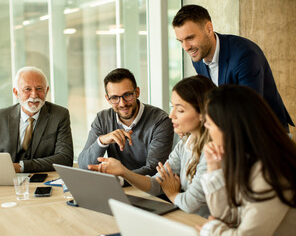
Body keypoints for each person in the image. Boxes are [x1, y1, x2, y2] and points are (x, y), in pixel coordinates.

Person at [89, 75, 216, 218]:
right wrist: (123, 171)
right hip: (188, 220)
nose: (171, 115)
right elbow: (157, 183)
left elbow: (190, 203)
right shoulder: (185, 144)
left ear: (203, 113)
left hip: (203, 225)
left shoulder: (213, 151)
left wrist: (172, 194)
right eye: (172, 107)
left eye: (180, 110)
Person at [172, 4, 294, 131]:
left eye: (190, 38)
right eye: (180, 41)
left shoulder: (244, 54)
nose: (186, 47)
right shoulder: (198, 56)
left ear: (209, 28)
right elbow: (210, 99)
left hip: (266, 133)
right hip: (231, 130)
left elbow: (249, 108)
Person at [199, 85, 296, 235]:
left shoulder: (270, 171)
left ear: (230, 128)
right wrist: (214, 167)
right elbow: (227, 216)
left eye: (209, 124)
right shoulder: (246, 158)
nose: (205, 127)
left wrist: (211, 229)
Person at [78, 68, 174, 180]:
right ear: (108, 99)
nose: (122, 103)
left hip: (147, 190)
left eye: (127, 95)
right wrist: (102, 141)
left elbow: (154, 169)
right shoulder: (102, 119)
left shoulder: (160, 121)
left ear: (137, 92)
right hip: (117, 187)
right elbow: (84, 165)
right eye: (114, 98)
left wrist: (119, 178)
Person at [0, 66, 73, 173]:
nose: (34, 95)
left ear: (46, 91)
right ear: (15, 92)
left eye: (39, 89)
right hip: (7, 181)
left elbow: (65, 159)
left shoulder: (59, 115)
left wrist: (21, 166)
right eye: (27, 89)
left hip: (42, 180)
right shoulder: (0, 117)